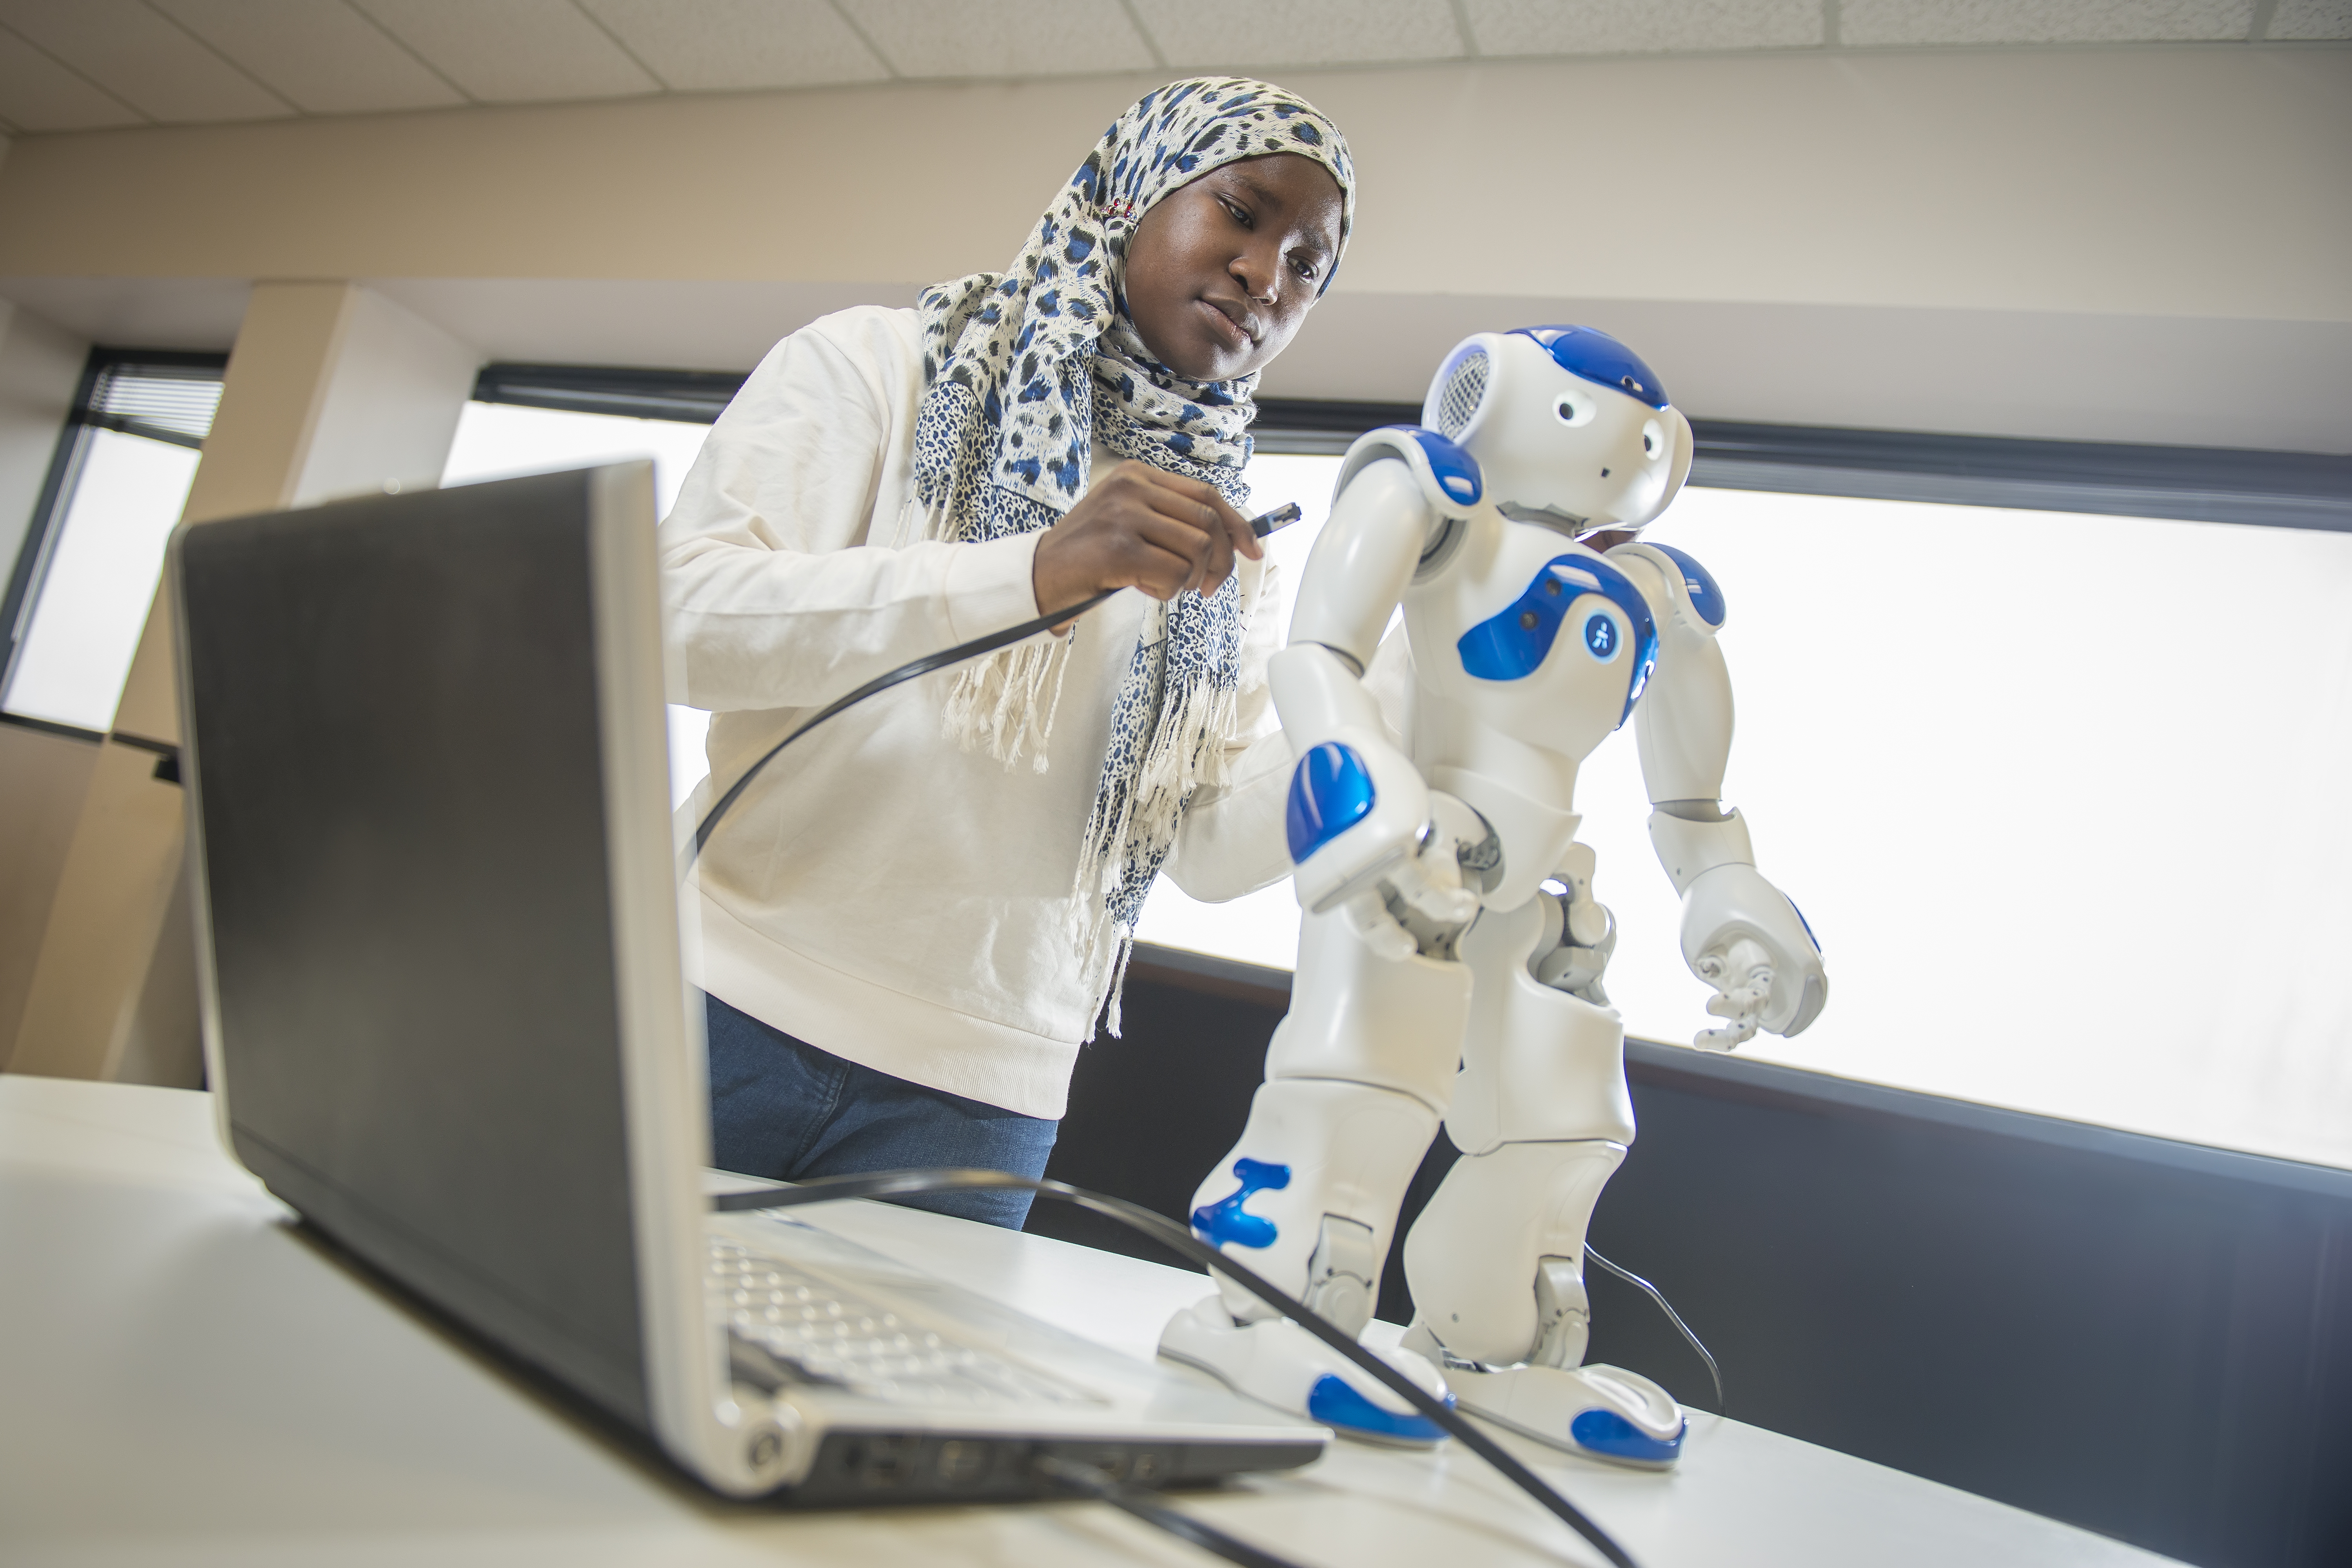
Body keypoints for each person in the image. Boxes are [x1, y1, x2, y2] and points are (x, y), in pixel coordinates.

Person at [658, 80, 1355, 1227]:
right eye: (1240, 211)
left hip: (981, 1097)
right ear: (1134, 189)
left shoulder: (1228, 548)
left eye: (1307, 264)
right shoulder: (881, 365)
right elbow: (672, 629)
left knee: (879, 1415)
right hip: (717, 994)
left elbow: (1211, 851)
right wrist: (1029, 572)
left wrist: (1398, 707)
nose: (1266, 275)